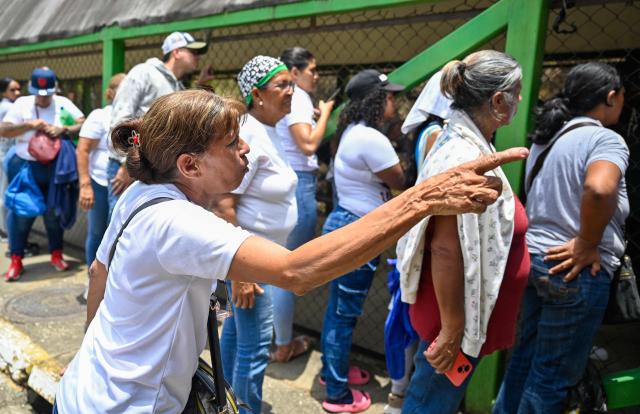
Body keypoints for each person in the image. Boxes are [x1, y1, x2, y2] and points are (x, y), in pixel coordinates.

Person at [53, 87, 527, 414]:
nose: (247, 151)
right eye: (231, 143)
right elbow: (299, 270)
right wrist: (423, 198)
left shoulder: (142, 192)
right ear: (190, 164)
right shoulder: (176, 220)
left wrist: (100, 357)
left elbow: (98, 274)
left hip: (86, 392)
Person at [396, 50, 529, 414]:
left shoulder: (472, 144)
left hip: (459, 312)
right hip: (452, 317)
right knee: (429, 404)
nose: (520, 99)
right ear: (498, 100)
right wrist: (454, 329)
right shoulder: (462, 155)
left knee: (435, 400)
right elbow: (445, 248)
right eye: (517, 93)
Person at [494, 62, 628, 414]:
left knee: (523, 363)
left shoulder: (547, 140)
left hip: (536, 263)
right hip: (574, 271)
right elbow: (599, 189)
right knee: (551, 378)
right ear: (611, 97)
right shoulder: (605, 139)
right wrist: (587, 242)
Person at [212, 55, 297, 414]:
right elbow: (223, 202)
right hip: (250, 263)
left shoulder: (269, 131)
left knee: (234, 336)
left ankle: (225, 402)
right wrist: (242, 273)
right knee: (256, 344)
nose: (291, 91)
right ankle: (246, 408)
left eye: (292, 83)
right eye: (282, 85)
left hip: (258, 260)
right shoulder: (250, 137)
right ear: (257, 94)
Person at [319, 68, 406, 413]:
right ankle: (337, 394)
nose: (394, 103)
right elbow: (399, 179)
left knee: (338, 311)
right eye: (390, 96)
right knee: (343, 315)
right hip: (358, 229)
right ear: (376, 99)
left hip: (346, 223)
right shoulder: (370, 138)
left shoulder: (351, 133)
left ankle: (331, 373)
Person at [383, 70, 453, 414]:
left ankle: (402, 390)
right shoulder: (437, 134)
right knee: (412, 321)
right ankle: (403, 393)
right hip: (428, 240)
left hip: (419, 237)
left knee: (408, 317)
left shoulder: (424, 131)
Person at [270, 46, 335, 363]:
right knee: (288, 269)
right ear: (294, 72)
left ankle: (273, 336)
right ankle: (283, 343)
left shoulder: (290, 99)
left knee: (275, 265)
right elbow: (308, 143)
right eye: (312, 70)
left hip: (288, 179)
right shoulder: (299, 97)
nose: (317, 75)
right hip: (299, 181)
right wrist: (325, 116)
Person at [107, 31, 213, 216]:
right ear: (177, 52)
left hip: (157, 168)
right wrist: (126, 164)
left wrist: (200, 85)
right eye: (193, 52)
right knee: (123, 231)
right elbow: (121, 120)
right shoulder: (143, 72)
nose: (198, 57)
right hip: (130, 167)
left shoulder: (176, 85)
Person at [0, 67, 85, 281]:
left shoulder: (63, 102)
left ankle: (56, 254)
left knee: (53, 214)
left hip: (55, 169)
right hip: (26, 168)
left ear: (54, 89)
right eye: (39, 94)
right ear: (32, 90)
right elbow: (4, 129)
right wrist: (30, 124)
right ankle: (16, 260)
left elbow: (82, 123)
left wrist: (63, 130)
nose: (43, 99)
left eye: (47, 95)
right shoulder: (21, 104)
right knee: (21, 214)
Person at [75, 73, 125, 303]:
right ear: (110, 92)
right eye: (121, 88)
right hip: (98, 182)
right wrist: (85, 185)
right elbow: (83, 150)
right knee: (97, 233)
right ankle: (92, 281)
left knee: (117, 236)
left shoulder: (132, 114)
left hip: (123, 185)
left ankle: (113, 287)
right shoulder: (100, 116)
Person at [0, 77, 21, 240]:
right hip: (6, 155)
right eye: (12, 90)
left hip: (4, 153)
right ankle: (7, 232)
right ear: (3, 92)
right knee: (6, 193)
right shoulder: (9, 107)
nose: (18, 93)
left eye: (18, 89)